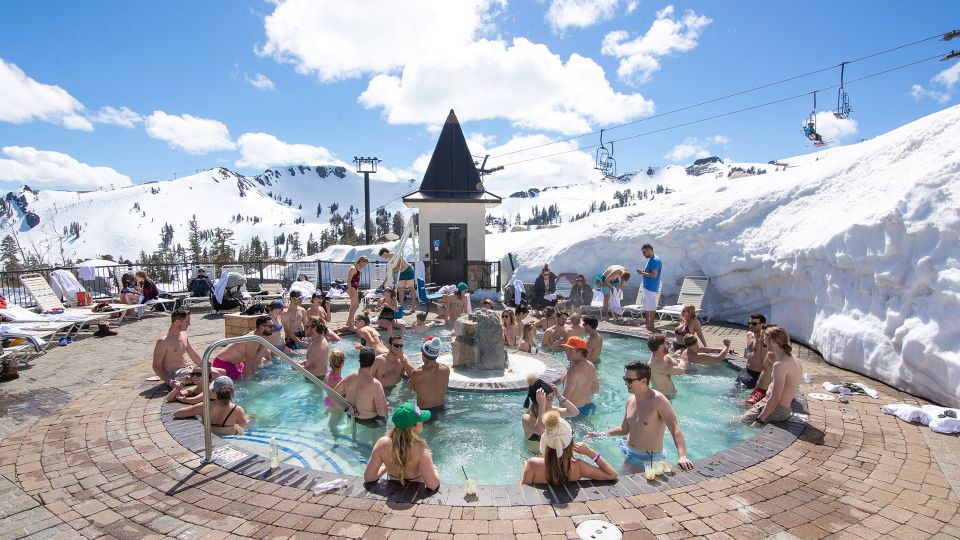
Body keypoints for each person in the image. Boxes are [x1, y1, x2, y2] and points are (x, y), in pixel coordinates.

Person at [587, 361, 694, 472]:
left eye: (629, 380)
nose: (625, 384)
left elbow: (675, 429)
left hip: (648, 458)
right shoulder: (630, 401)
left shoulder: (658, 400)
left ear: (643, 381)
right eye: (625, 379)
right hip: (628, 449)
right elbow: (624, 429)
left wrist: (682, 456)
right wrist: (601, 434)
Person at [521, 410, 617, 485]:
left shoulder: (532, 464)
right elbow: (612, 474)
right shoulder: (578, 466)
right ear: (569, 441)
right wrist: (591, 453)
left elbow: (523, 492)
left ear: (546, 440)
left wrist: (527, 467)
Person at [363, 402, 440, 490]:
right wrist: (434, 468)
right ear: (413, 426)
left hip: (392, 490)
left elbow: (369, 478)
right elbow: (433, 485)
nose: (422, 422)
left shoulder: (382, 443)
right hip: (414, 493)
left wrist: (386, 467)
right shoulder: (420, 447)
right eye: (420, 419)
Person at [740, 325, 801, 426]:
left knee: (735, 424)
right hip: (781, 408)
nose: (762, 340)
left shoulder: (780, 364)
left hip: (776, 409)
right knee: (737, 419)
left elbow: (775, 397)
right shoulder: (793, 358)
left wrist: (759, 420)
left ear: (772, 341)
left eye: (765, 339)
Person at [152, 308, 225, 387]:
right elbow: (156, 366)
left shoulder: (183, 334)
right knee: (214, 374)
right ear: (177, 322)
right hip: (174, 374)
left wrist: (204, 365)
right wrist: (169, 381)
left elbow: (192, 353)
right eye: (187, 321)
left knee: (222, 371)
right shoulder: (163, 341)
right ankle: (213, 396)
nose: (189, 324)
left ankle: (220, 395)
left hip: (187, 369)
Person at [173, 376, 249, 436]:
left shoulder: (204, 406)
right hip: (229, 435)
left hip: (211, 434)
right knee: (248, 418)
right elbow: (244, 425)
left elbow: (177, 413)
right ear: (232, 391)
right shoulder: (237, 409)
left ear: (213, 391)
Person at [335, 347, 388, 423]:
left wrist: (346, 409)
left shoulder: (349, 377)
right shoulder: (375, 384)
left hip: (351, 417)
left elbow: (333, 395)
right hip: (369, 422)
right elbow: (382, 412)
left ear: (359, 361)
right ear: (374, 362)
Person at [212, 315, 273, 380]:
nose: (273, 329)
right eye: (270, 326)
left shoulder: (257, 336)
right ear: (262, 327)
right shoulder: (254, 339)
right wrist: (247, 381)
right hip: (223, 363)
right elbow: (249, 361)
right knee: (240, 382)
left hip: (233, 363)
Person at [522, 376, 580, 441]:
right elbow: (540, 431)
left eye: (552, 397)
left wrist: (559, 396)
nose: (552, 400)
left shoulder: (552, 410)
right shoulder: (527, 417)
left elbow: (575, 412)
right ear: (538, 400)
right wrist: (542, 405)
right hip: (536, 451)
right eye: (549, 398)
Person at [407, 336, 450, 414]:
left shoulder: (416, 373)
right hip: (443, 409)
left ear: (423, 354)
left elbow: (410, 389)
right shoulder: (446, 369)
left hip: (425, 413)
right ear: (436, 355)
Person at [560, 337, 599, 417]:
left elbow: (563, 402)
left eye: (570, 350)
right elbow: (595, 389)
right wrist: (581, 397)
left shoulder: (573, 371)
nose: (567, 353)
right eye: (566, 349)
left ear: (580, 352)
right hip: (588, 407)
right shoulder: (591, 365)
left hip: (574, 412)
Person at [738, 314, 768, 393]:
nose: (751, 326)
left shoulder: (764, 340)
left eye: (754, 324)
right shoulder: (749, 334)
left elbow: (767, 361)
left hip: (756, 375)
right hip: (746, 371)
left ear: (762, 325)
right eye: (749, 323)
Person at [379, 247, 416, 311]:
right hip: (401, 273)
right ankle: (401, 306)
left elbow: (401, 265)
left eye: (382, 256)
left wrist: (393, 270)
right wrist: (383, 283)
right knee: (400, 289)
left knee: (411, 288)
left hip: (408, 271)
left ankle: (413, 306)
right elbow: (389, 273)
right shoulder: (389, 260)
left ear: (385, 253)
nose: (383, 257)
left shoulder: (394, 255)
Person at [635, 244, 662, 331]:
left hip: (651, 287)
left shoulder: (654, 260)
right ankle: (648, 323)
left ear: (649, 250)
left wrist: (642, 273)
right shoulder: (652, 259)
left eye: (644, 252)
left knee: (651, 305)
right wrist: (643, 272)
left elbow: (654, 275)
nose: (643, 254)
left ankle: (651, 324)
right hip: (648, 286)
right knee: (647, 305)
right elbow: (649, 272)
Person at [346, 256, 369, 331]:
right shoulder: (353, 268)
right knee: (356, 306)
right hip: (351, 288)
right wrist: (350, 290)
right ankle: (349, 322)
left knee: (353, 306)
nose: (364, 266)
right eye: (364, 264)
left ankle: (350, 322)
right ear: (361, 261)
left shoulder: (358, 268)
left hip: (354, 288)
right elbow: (348, 280)